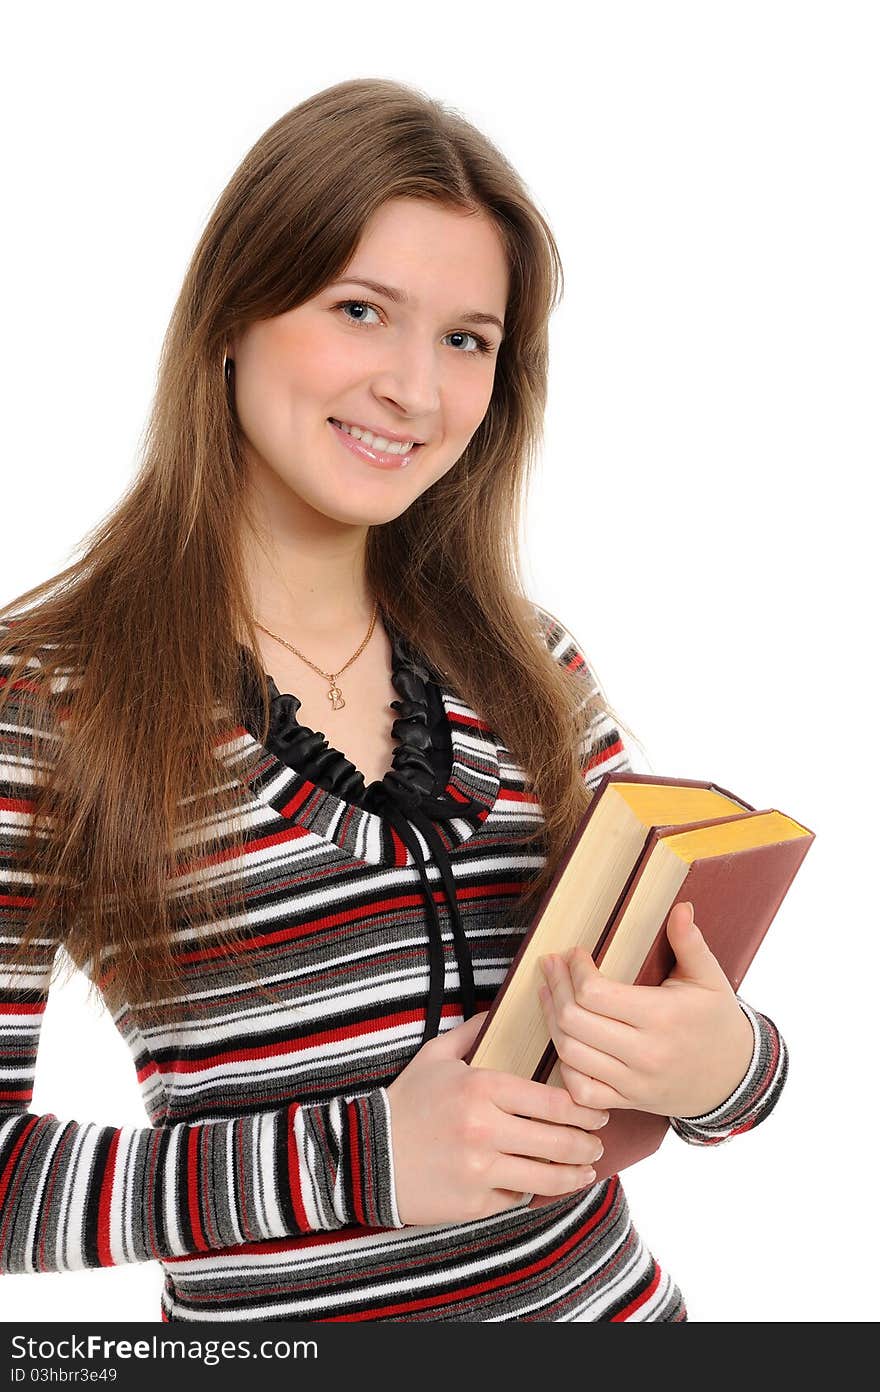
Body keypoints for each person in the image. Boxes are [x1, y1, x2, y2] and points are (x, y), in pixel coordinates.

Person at [0, 78, 787, 1323]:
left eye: (467, 339)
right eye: (362, 310)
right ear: (230, 317)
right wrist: (362, 1159)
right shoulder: (42, 705)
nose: (416, 392)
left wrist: (725, 1064)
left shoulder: (532, 663)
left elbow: (686, 1061)